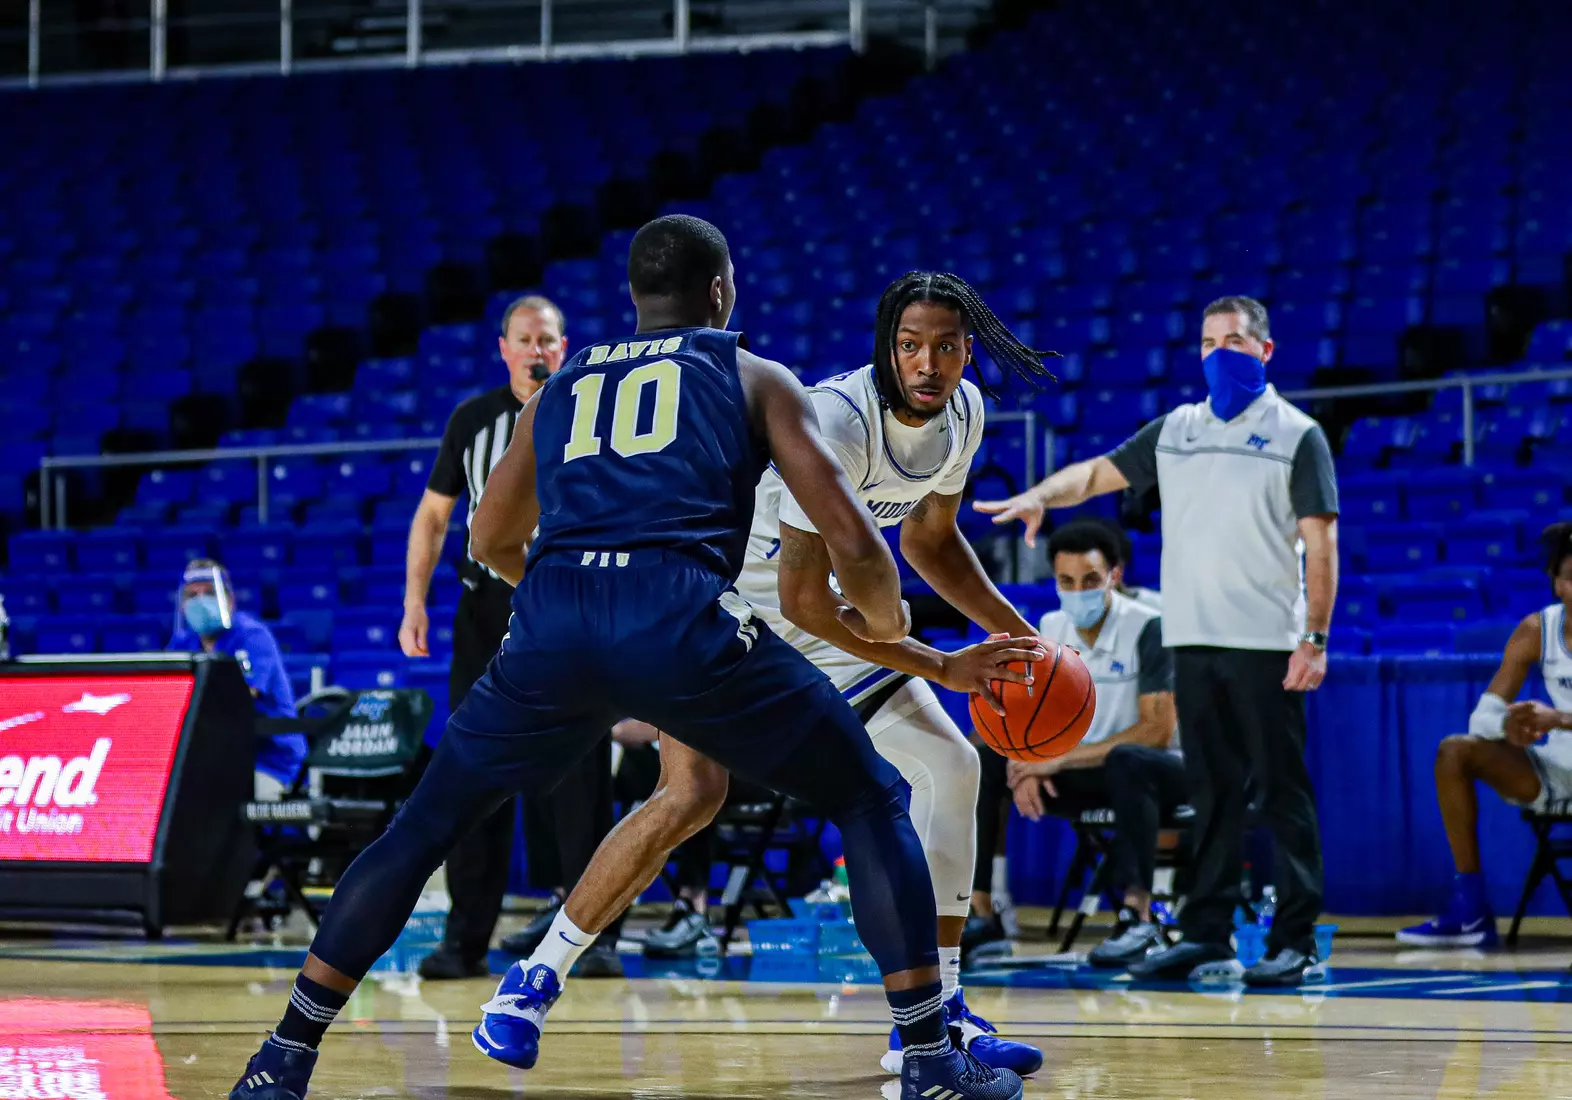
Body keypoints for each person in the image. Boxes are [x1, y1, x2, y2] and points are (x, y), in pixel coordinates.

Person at [229, 215, 1025, 1100]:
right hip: (684, 616)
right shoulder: (754, 374)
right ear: (722, 291)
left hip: (555, 616)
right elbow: (855, 543)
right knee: (872, 796)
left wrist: (570, 607)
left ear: (633, 300)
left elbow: (489, 537)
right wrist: (890, 624)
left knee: (421, 830)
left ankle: (283, 1056)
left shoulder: (565, 378)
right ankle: (927, 1055)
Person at [486, 270, 1056, 1079]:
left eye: (946, 347)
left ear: (971, 351)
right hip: (732, 610)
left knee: (951, 766)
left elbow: (932, 542)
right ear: (885, 347)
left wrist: (1024, 640)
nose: (927, 364)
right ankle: (531, 980)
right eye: (909, 345)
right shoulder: (834, 418)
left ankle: (938, 1017)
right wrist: (937, 662)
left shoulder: (963, 413)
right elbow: (801, 599)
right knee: (689, 793)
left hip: (831, 617)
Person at [977, 295, 1340, 988]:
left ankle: (1295, 939)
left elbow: (1321, 543)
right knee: (1211, 793)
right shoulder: (1177, 429)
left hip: (1267, 642)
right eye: (1208, 341)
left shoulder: (1299, 434)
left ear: (1265, 352)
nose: (1218, 352)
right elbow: (1096, 473)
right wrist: (1040, 498)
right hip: (1192, 638)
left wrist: (1314, 638)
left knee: (1283, 793)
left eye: (1234, 340)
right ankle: (1206, 933)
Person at [397, 296, 620, 980]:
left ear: (564, 346)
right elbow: (433, 518)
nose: (536, 350)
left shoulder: (593, 412)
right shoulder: (473, 420)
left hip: (567, 606)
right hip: (486, 615)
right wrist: (414, 602)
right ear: (504, 349)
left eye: (547, 340)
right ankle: (465, 940)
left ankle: (594, 937)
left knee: (581, 779)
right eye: (524, 339)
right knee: (475, 773)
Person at [1003, 520, 1183, 968]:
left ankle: (1136, 915)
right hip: (1088, 772)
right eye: (1066, 581)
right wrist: (1022, 763)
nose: (1077, 591)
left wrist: (1056, 762)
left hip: (1164, 772)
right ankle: (986, 908)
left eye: (1090, 580)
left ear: (1114, 577)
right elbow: (1027, 715)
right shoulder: (1050, 625)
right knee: (986, 755)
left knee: (1129, 759)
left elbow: (1156, 731)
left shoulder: (1150, 625)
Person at [1399, 521, 1572, 947]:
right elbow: (1484, 715)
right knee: (1455, 751)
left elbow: (1557, 718)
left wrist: (1560, 719)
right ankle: (1471, 908)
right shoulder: (1538, 630)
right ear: (1556, 583)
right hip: (1561, 771)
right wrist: (1510, 725)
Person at [167, 559, 301, 800]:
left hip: (267, 760)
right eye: (192, 595)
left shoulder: (252, 636)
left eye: (208, 593)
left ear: (229, 599)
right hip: (212, 758)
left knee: (214, 801)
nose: (200, 601)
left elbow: (242, 696)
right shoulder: (182, 642)